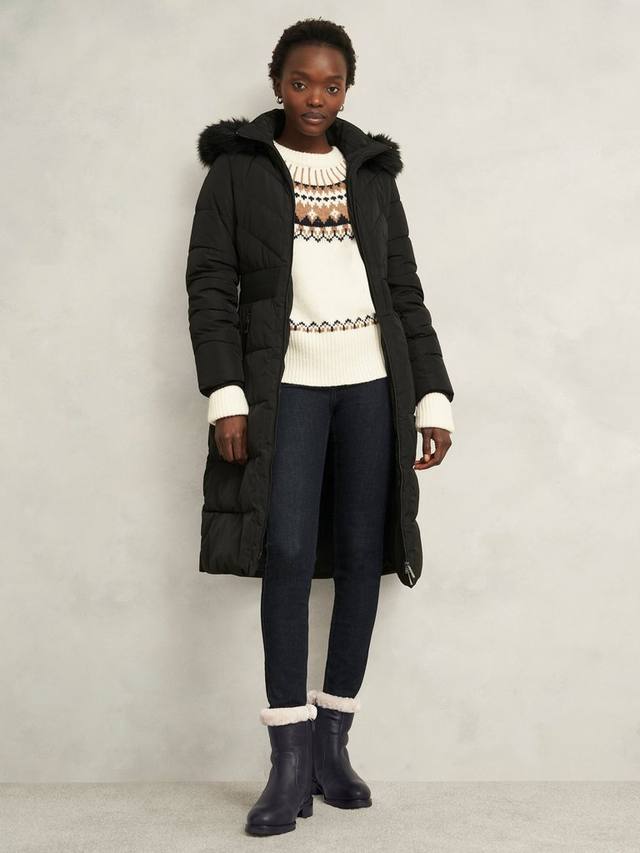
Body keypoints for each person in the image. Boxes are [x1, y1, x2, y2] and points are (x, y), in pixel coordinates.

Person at [185, 18, 455, 837]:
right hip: (288, 389)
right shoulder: (237, 170)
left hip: (372, 387)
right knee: (289, 555)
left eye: (331, 85)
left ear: (347, 90)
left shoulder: (369, 171)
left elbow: (403, 287)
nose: (315, 98)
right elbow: (210, 284)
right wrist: (227, 393)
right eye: (301, 82)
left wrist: (432, 395)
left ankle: (333, 746)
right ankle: (287, 758)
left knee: (364, 555)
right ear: (277, 82)